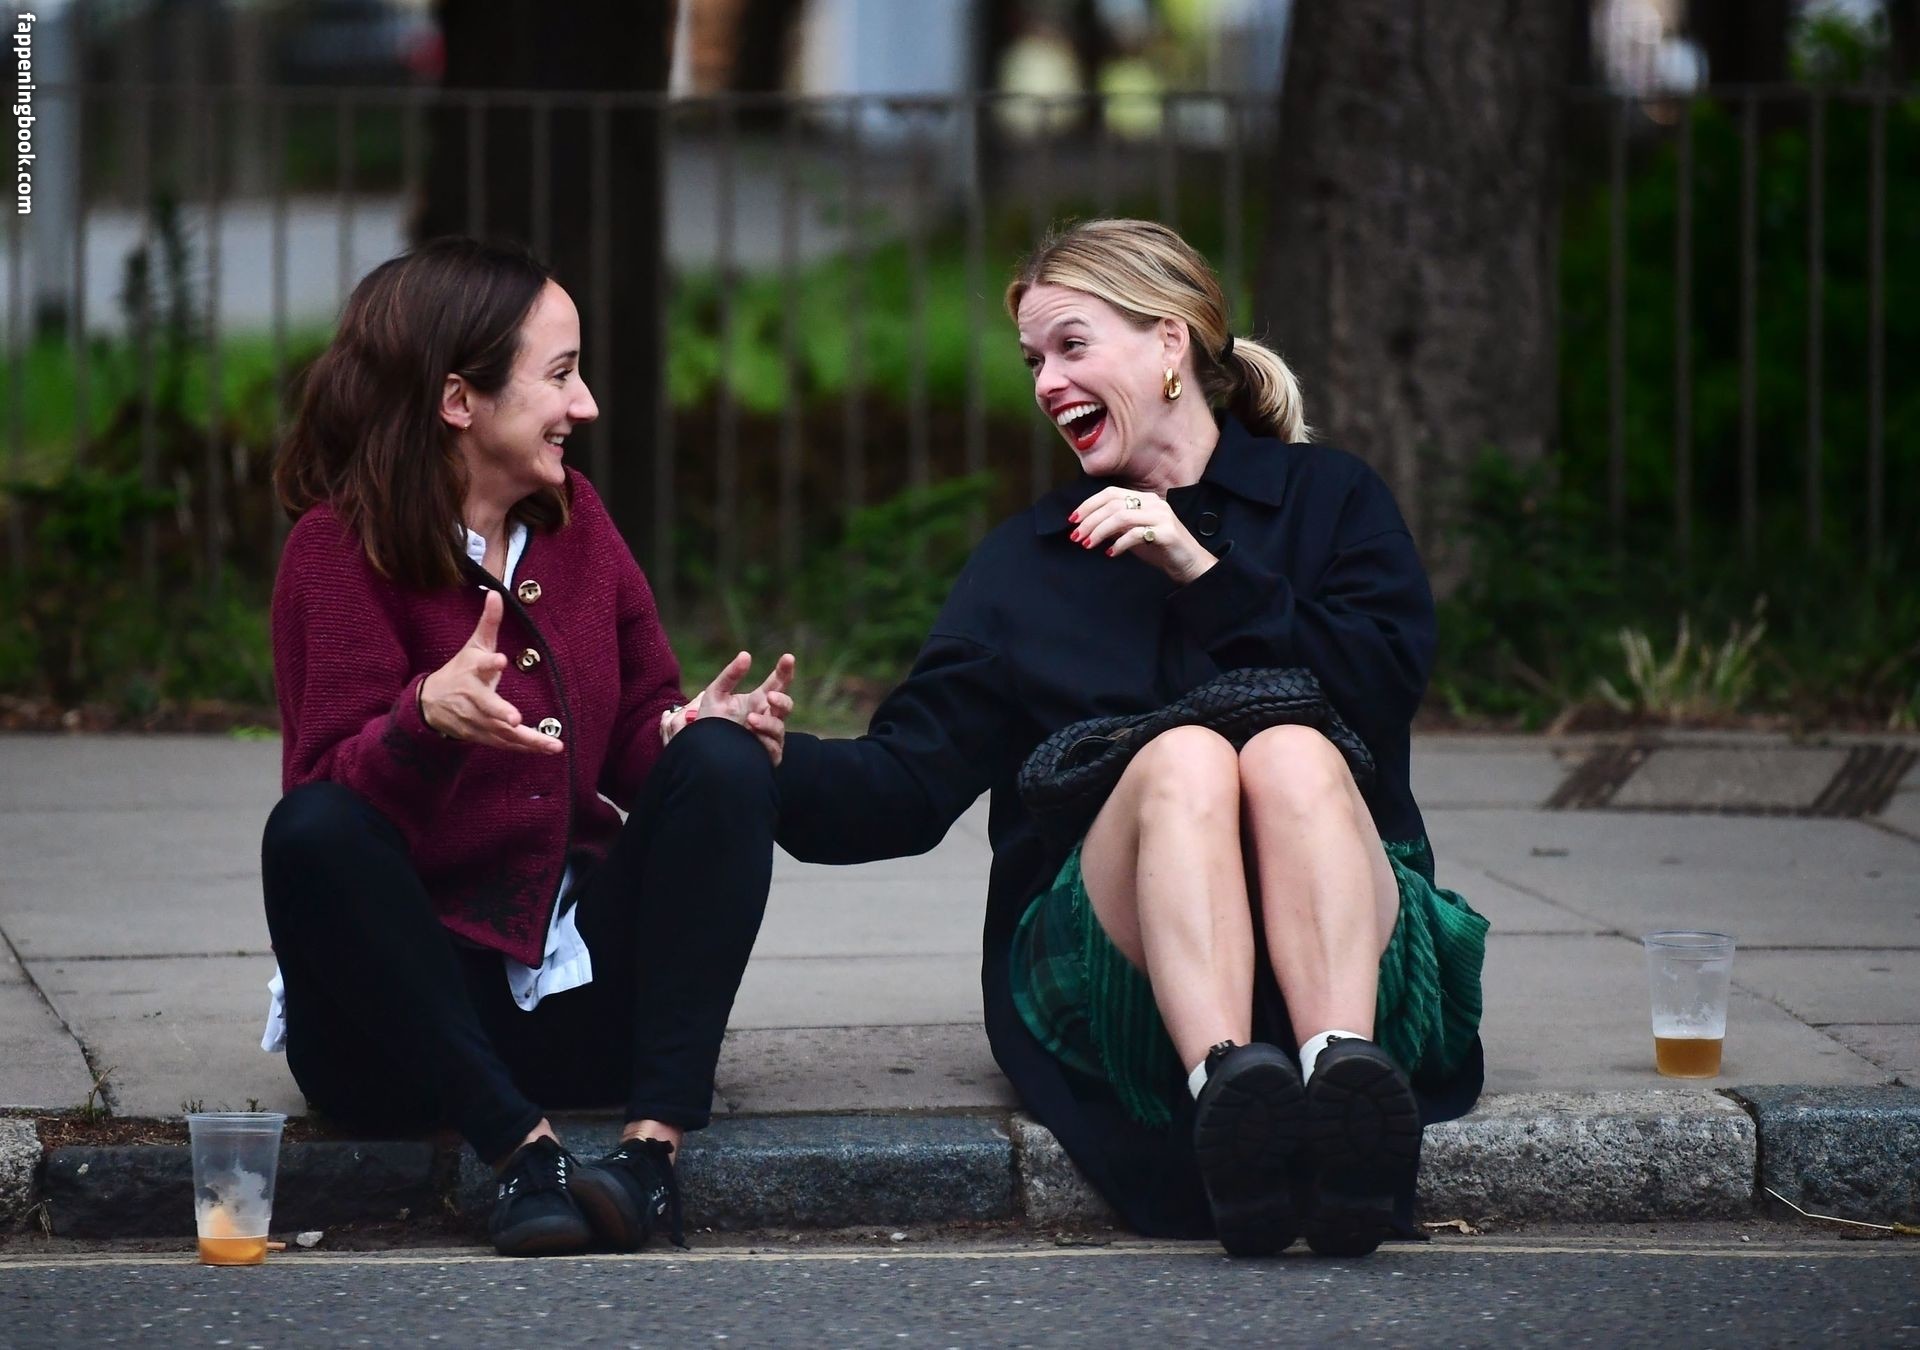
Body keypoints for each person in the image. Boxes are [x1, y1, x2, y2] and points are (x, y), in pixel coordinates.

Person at [773, 219, 1488, 1257]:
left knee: (1287, 748)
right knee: (1185, 756)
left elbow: (1380, 688)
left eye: (1072, 346)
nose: (1046, 383)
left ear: (1170, 343)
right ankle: (1230, 1102)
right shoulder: (1026, 563)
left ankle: (1345, 1091)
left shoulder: (1329, 500)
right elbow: (908, 784)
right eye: (1033, 360)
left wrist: (1203, 571)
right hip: (1116, 975)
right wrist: (768, 759)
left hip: (1355, 943)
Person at [261, 237, 795, 1258]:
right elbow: (326, 822)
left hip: (574, 1004)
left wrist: (687, 734)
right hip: (398, 1036)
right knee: (310, 828)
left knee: (725, 765)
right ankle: (522, 1155)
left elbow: (635, 724)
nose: (583, 405)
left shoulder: (577, 523)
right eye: (560, 375)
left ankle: (649, 1160)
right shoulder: (334, 552)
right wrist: (422, 722)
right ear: (459, 400)